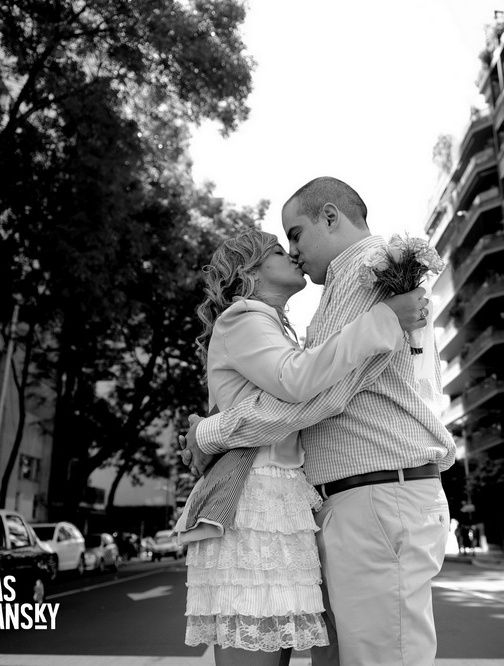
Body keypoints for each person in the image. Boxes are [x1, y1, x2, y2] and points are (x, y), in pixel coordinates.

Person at [183, 177, 456, 666]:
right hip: (302, 501)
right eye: (281, 244)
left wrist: (212, 431)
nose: (293, 252)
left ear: (330, 217)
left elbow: (317, 391)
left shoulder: (365, 272)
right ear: (249, 270)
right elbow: (309, 381)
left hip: (365, 496)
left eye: (294, 234)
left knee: (374, 657)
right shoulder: (256, 315)